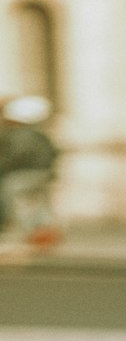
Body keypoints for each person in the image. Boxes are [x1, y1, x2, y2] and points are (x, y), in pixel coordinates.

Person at [0, 96, 58, 249]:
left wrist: (4, 165)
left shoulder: (20, 135)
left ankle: (30, 231)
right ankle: (45, 230)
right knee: (41, 203)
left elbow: (15, 156)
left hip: (25, 174)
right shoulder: (40, 134)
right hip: (43, 173)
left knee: (14, 198)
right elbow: (54, 152)